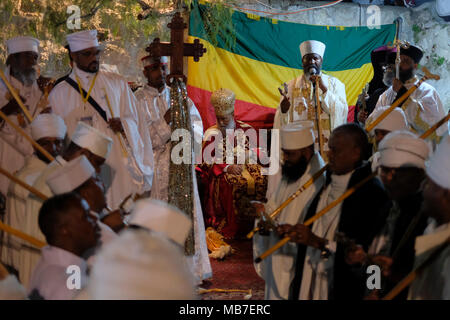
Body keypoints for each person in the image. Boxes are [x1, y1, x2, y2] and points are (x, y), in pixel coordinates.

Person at [48, 29, 154, 209]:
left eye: (97, 53)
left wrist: (124, 124)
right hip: (81, 169)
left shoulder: (117, 82)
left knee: (119, 214)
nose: (94, 58)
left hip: (116, 165)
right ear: (73, 55)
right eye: (87, 54)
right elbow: (55, 137)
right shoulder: (60, 92)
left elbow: (137, 120)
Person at [286, 123, 390, 300]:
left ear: (356, 153)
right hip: (312, 279)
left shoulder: (372, 193)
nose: (329, 155)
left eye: (335, 150)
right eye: (329, 149)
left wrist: (374, 289)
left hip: (343, 286)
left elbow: (373, 254)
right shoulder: (329, 181)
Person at [22, 121, 112, 286]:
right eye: (98, 163)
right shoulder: (66, 181)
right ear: (84, 154)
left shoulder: (57, 172)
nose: (98, 172)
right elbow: (74, 242)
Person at [346, 131, 430, 299]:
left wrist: (394, 273)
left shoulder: (429, 216)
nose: (388, 179)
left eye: (394, 173)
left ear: (418, 174)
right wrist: (373, 290)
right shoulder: (388, 207)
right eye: (384, 172)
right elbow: (376, 257)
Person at [253, 121, 326, 300]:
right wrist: (263, 214)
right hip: (278, 250)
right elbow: (276, 205)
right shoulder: (293, 170)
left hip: (299, 257)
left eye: (289, 154)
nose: (285, 159)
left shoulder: (318, 181)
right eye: (284, 154)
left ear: (306, 151)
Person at [268, 40, 348, 197]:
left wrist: (324, 91)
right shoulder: (290, 86)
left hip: (326, 149)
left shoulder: (335, 85)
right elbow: (281, 121)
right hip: (302, 152)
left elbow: (341, 112)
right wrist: (284, 111)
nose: (312, 61)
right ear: (302, 61)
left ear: (321, 61)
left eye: (315, 58)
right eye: (308, 58)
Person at [1, 114, 66, 286]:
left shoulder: (53, 172)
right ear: (34, 145)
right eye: (46, 143)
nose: (53, 148)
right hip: (34, 259)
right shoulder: (30, 179)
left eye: (58, 142)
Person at [198, 88, 268, 239]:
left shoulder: (245, 129)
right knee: (231, 184)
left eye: (225, 118)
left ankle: (258, 224)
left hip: (247, 166)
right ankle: (234, 227)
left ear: (232, 114)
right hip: (223, 172)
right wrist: (227, 167)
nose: (221, 122)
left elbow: (260, 152)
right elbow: (205, 161)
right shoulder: (211, 133)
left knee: (262, 180)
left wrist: (247, 155)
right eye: (219, 118)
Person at [135, 55, 203, 202]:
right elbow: (138, 139)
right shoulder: (136, 101)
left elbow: (197, 130)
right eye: (154, 69)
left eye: (164, 67)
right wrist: (164, 121)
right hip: (153, 167)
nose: (161, 72)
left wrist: (183, 134)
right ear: (145, 73)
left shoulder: (181, 97)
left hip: (180, 164)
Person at [0, 36, 49, 200]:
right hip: (6, 159)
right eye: (28, 56)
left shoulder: (41, 89)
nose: (33, 62)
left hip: (34, 161)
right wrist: (7, 109)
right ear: (13, 59)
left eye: (35, 57)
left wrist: (47, 94)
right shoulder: (1, 88)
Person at [370, 44, 448, 146]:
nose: (400, 65)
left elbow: (428, 125)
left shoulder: (427, 91)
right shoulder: (386, 94)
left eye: (405, 61)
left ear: (415, 66)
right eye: (398, 61)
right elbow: (373, 123)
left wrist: (402, 94)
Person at [28, 192, 100, 300]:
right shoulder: (65, 282)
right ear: (64, 230)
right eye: (85, 217)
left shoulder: (57, 264)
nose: (94, 220)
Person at [408, 135, 450, 300]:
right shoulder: (433, 227)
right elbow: (374, 268)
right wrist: (375, 284)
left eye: (429, 184)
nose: (422, 189)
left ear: (445, 195)